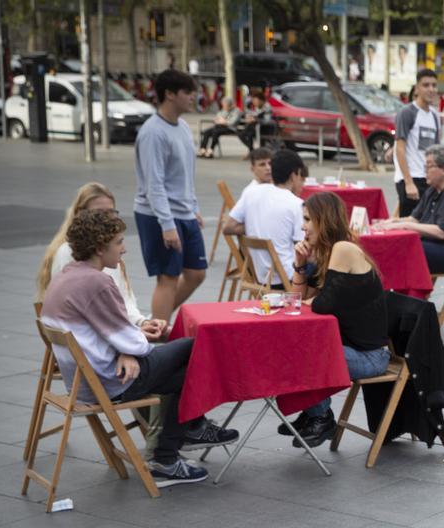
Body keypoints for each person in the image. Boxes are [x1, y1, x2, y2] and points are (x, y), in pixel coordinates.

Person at [41, 209, 237, 486]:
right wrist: (132, 346)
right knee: (201, 345)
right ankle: (181, 441)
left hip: (84, 381)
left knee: (189, 374)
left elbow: (115, 335)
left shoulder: (66, 276)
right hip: (111, 380)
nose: (124, 249)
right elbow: (131, 342)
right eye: (119, 242)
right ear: (99, 248)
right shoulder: (97, 282)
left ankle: (169, 455)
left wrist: (131, 342)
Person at [275, 192, 391, 448]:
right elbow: (295, 303)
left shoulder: (343, 248)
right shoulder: (326, 253)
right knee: (291, 348)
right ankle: (314, 413)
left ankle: (320, 416)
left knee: (302, 353)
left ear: (323, 220)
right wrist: (299, 265)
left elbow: (322, 304)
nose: (303, 226)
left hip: (370, 356)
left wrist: (309, 300)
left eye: (307, 219)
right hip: (349, 348)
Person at [36, 182, 166, 341]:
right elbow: (94, 318)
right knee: (183, 345)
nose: (106, 219)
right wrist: (131, 341)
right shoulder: (70, 254)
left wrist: (142, 322)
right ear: (81, 215)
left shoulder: (107, 251)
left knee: (176, 336)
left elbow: (123, 302)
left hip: (110, 336)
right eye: (99, 213)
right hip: (97, 345)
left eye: (111, 213)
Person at [133, 68, 206, 322]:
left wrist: (192, 207)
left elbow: (186, 173)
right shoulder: (153, 133)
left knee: (197, 273)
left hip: (183, 211)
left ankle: (155, 322)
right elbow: (154, 184)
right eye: (187, 92)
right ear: (170, 94)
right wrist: (167, 224)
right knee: (168, 277)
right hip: (157, 215)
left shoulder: (183, 127)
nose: (192, 97)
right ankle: (158, 336)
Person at [376, 144, 444, 276]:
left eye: (429, 166)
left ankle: (408, 292)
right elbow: (414, 219)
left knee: (406, 248)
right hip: (431, 245)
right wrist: (390, 223)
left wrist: (405, 225)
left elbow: (442, 232)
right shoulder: (432, 190)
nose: (425, 170)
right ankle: (397, 291)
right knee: (396, 244)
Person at [223, 149, 307, 287]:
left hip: (261, 278)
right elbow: (305, 248)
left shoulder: (252, 193)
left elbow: (228, 227)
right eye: (301, 176)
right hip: (288, 279)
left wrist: (255, 223)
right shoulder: (296, 204)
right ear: (294, 175)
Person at [393, 68, 442, 217]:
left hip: (428, 179)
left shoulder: (435, 115)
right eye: (426, 85)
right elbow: (400, 148)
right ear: (417, 88)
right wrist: (408, 182)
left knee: (426, 227)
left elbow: (436, 149)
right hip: (411, 178)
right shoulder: (407, 112)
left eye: (434, 85)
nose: (431, 89)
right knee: (408, 228)